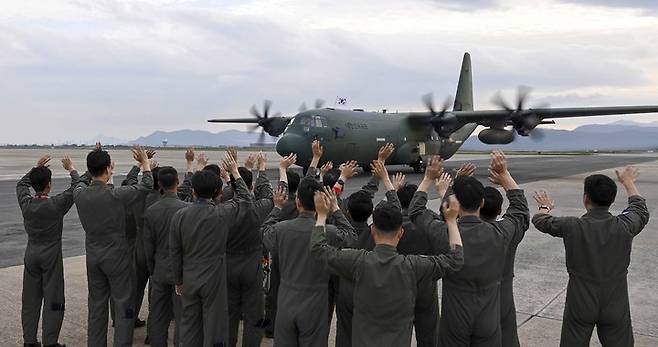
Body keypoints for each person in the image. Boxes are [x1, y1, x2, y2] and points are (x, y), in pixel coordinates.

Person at [310, 160, 464, 347]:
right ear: (400, 232)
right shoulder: (413, 265)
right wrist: (451, 218)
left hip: (363, 338)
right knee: (429, 334)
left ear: (373, 229)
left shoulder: (357, 261)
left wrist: (322, 215)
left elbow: (318, 249)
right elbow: (455, 259)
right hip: (405, 325)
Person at [410, 152, 530, 347]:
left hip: (455, 316)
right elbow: (520, 211)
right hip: (489, 316)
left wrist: (428, 179)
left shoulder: (444, 232)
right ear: (481, 203)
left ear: (456, 202)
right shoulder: (500, 233)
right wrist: (505, 176)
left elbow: (416, 211)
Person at [532, 166, 649, 346]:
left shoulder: (572, 225)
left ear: (586, 198)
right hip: (615, 303)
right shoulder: (625, 225)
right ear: (611, 199)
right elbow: (640, 209)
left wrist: (544, 207)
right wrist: (629, 183)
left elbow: (540, 220)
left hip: (580, 303)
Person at [260, 175, 356, 346]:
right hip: (316, 301)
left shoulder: (281, 230)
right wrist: (335, 209)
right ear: (322, 203)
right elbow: (351, 236)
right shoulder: (330, 232)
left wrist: (277, 207)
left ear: (298, 202)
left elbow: (264, 231)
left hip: (287, 298)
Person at [169, 153, 252, 347]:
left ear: (194, 191)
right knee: (214, 324)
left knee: (189, 323)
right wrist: (235, 173)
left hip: (189, 274)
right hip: (214, 275)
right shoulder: (221, 212)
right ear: (217, 192)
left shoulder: (179, 215)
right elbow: (246, 201)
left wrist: (178, 280)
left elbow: (175, 251)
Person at [74, 146, 153, 347]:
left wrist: (95, 159)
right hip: (117, 257)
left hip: (93, 256)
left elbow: (81, 180)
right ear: (109, 168)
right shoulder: (116, 195)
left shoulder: (80, 194)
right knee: (124, 304)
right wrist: (144, 163)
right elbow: (146, 185)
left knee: (97, 306)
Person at [17, 155, 79, 347]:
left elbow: (21, 185)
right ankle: (50, 342)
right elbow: (77, 186)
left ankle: (29, 341)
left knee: (30, 300)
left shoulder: (27, 204)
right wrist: (71, 169)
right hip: (51, 255)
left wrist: (35, 168)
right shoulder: (56, 204)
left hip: (32, 253)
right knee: (54, 299)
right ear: (49, 185)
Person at [226, 152, 281, 347]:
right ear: (251, 187)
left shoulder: (222, 209)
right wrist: (262, 169)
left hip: (227, 265)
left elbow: (226, 192)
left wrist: (233, 176)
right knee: (254, 314)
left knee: (229, 314)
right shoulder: (261, 207)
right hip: (252, 265)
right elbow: (268, 194)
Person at [143, 166, 189, 347]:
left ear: (160, 184)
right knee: (182, 316)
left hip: (160, 270)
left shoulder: (152, 211)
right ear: (177, 182)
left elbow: (149, 246)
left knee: (158, 315)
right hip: (182, 272)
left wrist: (152, 269)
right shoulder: (186, 209)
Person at [479, 186, 527, 347]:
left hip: (472, 301)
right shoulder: (507, 230)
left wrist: (457, 187)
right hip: (502, 295)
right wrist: (505, 177)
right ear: (500, 210)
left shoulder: (459, 231)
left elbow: (447, 216)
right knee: (507, 336)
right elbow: (519, 211)